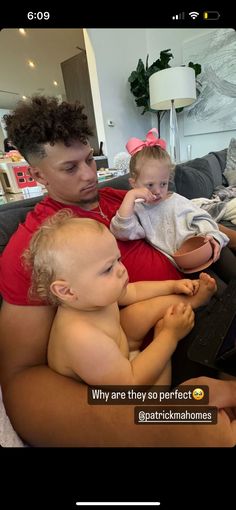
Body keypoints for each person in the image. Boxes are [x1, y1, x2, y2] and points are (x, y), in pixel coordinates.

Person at [0, 95, 236, 447]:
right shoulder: (36, 248)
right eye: (70, 168)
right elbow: (21, 375)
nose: (89, 175)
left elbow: (176, 217)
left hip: (204, 303)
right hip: (166, 349)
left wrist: (223, 235)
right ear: (37, 174)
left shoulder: (118, 199)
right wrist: (160, 416)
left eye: (89, 160)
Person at [24, 211, 219, 387]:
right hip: (124, 390)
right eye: (108, 268)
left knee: (137, 311)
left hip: (121, 348)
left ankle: (193, 302)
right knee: (152, 397)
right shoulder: (81, 338)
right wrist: (168, 335)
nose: (121, 270)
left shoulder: (90, 296)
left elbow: (133, 291)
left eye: (118, 260)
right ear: (66, 291)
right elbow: (131, 383)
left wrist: (172, 285)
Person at [110, 128, 229, 270]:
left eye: (163, 184)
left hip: (207, 245)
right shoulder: (137, 211)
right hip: (186, 264)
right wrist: (130, 196)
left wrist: (213, 236)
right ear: (134, 183)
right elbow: (121, 231)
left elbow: (202, 218)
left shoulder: (176, 200)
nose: (158, 191)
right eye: (150, 185)